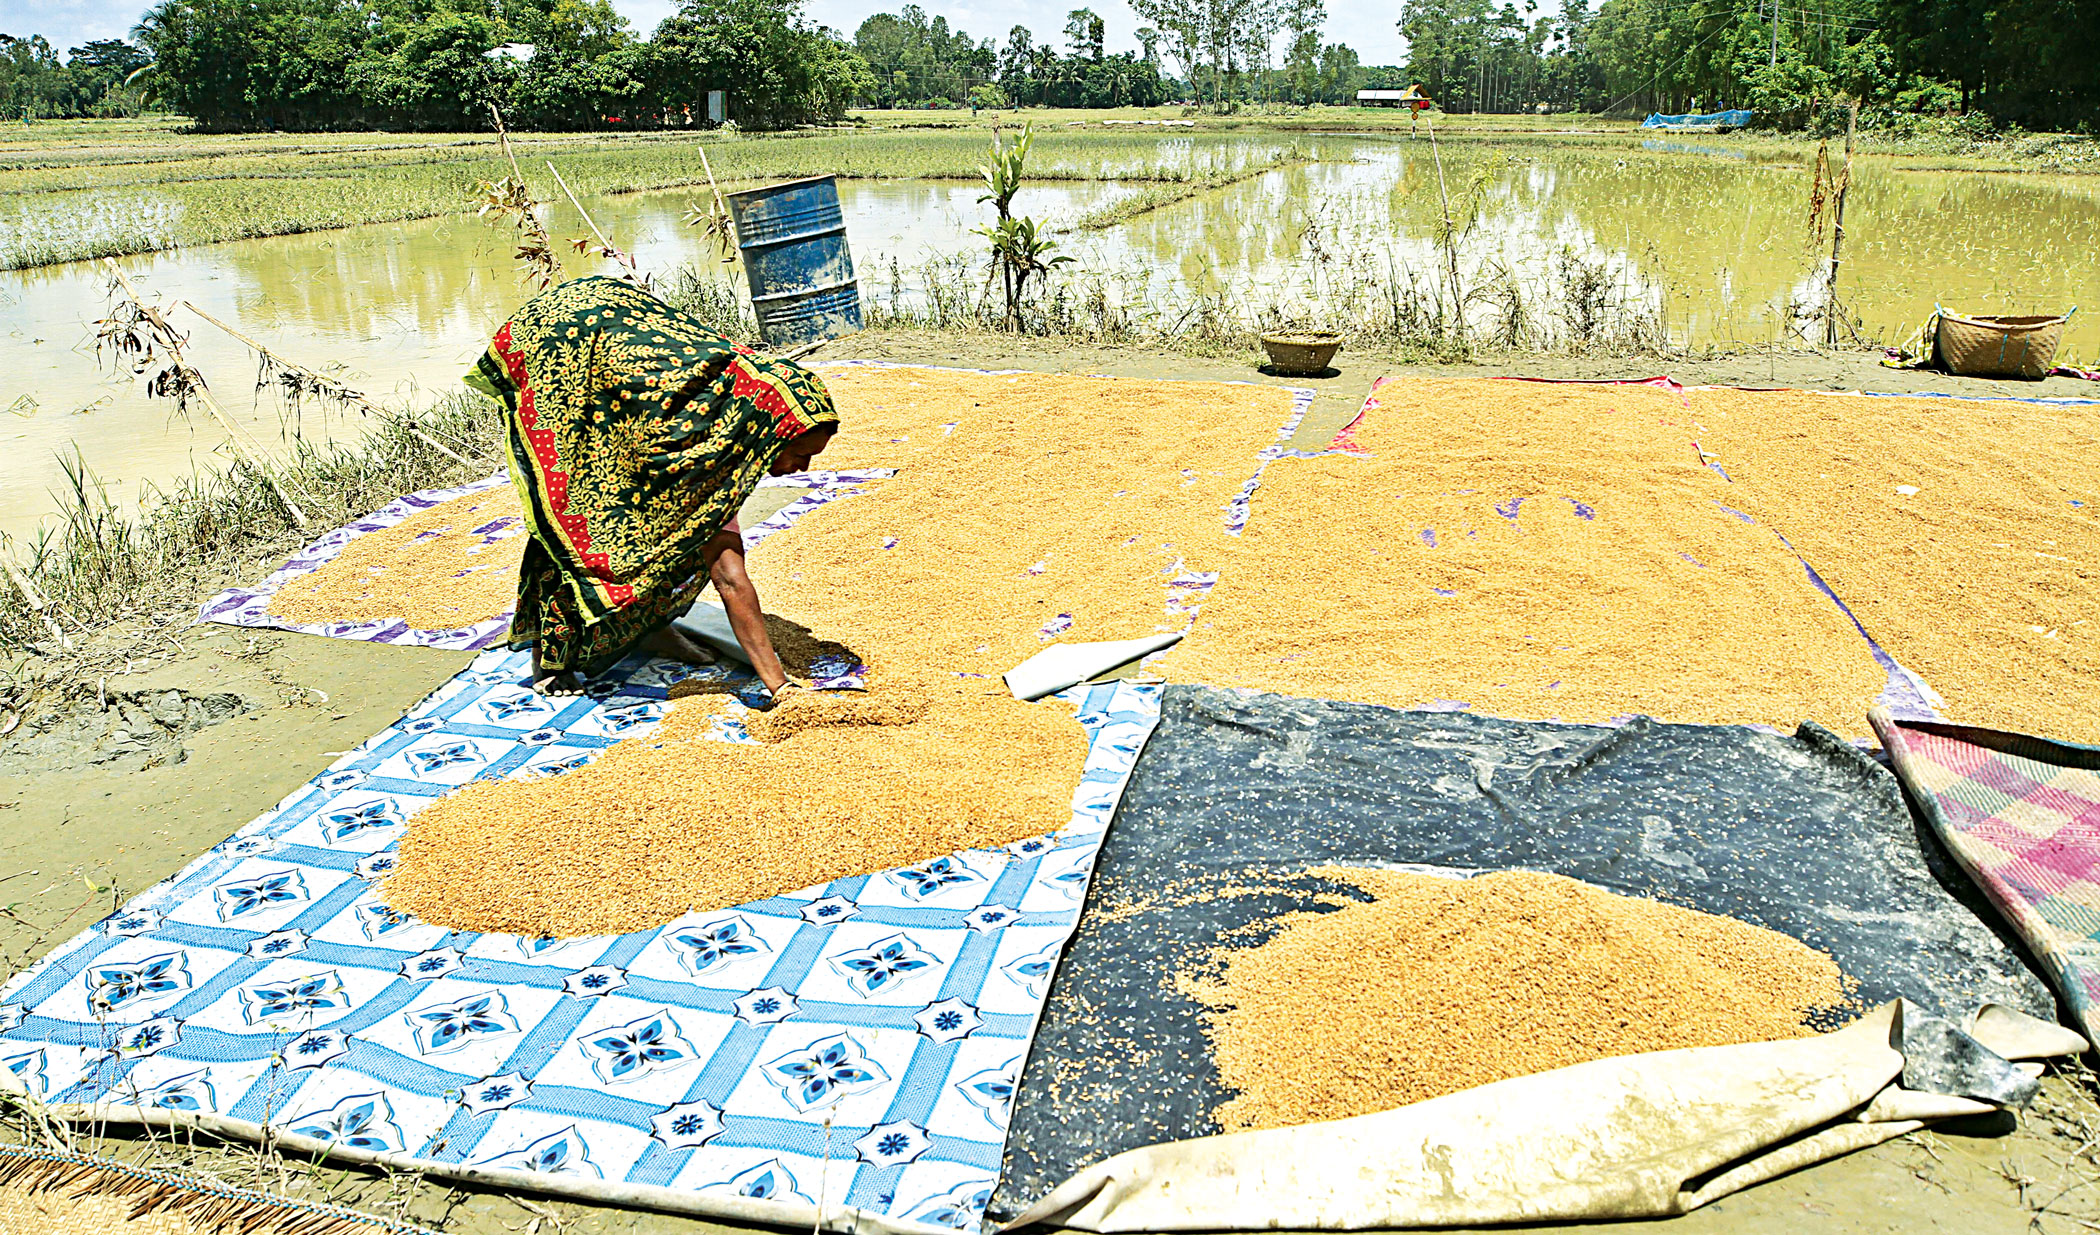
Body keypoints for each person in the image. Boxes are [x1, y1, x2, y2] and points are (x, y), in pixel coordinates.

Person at [466, 276, 838, 702]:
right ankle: (552, 657)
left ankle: (652, 628)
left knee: (672, 530)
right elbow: (729, 578)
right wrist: (781, 687)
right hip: (563, 345)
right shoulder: (697, 452)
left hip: (630, 371)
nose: (799, 469)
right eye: (798, 454)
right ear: (768, 434)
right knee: (576, 524)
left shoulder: (735, 425)